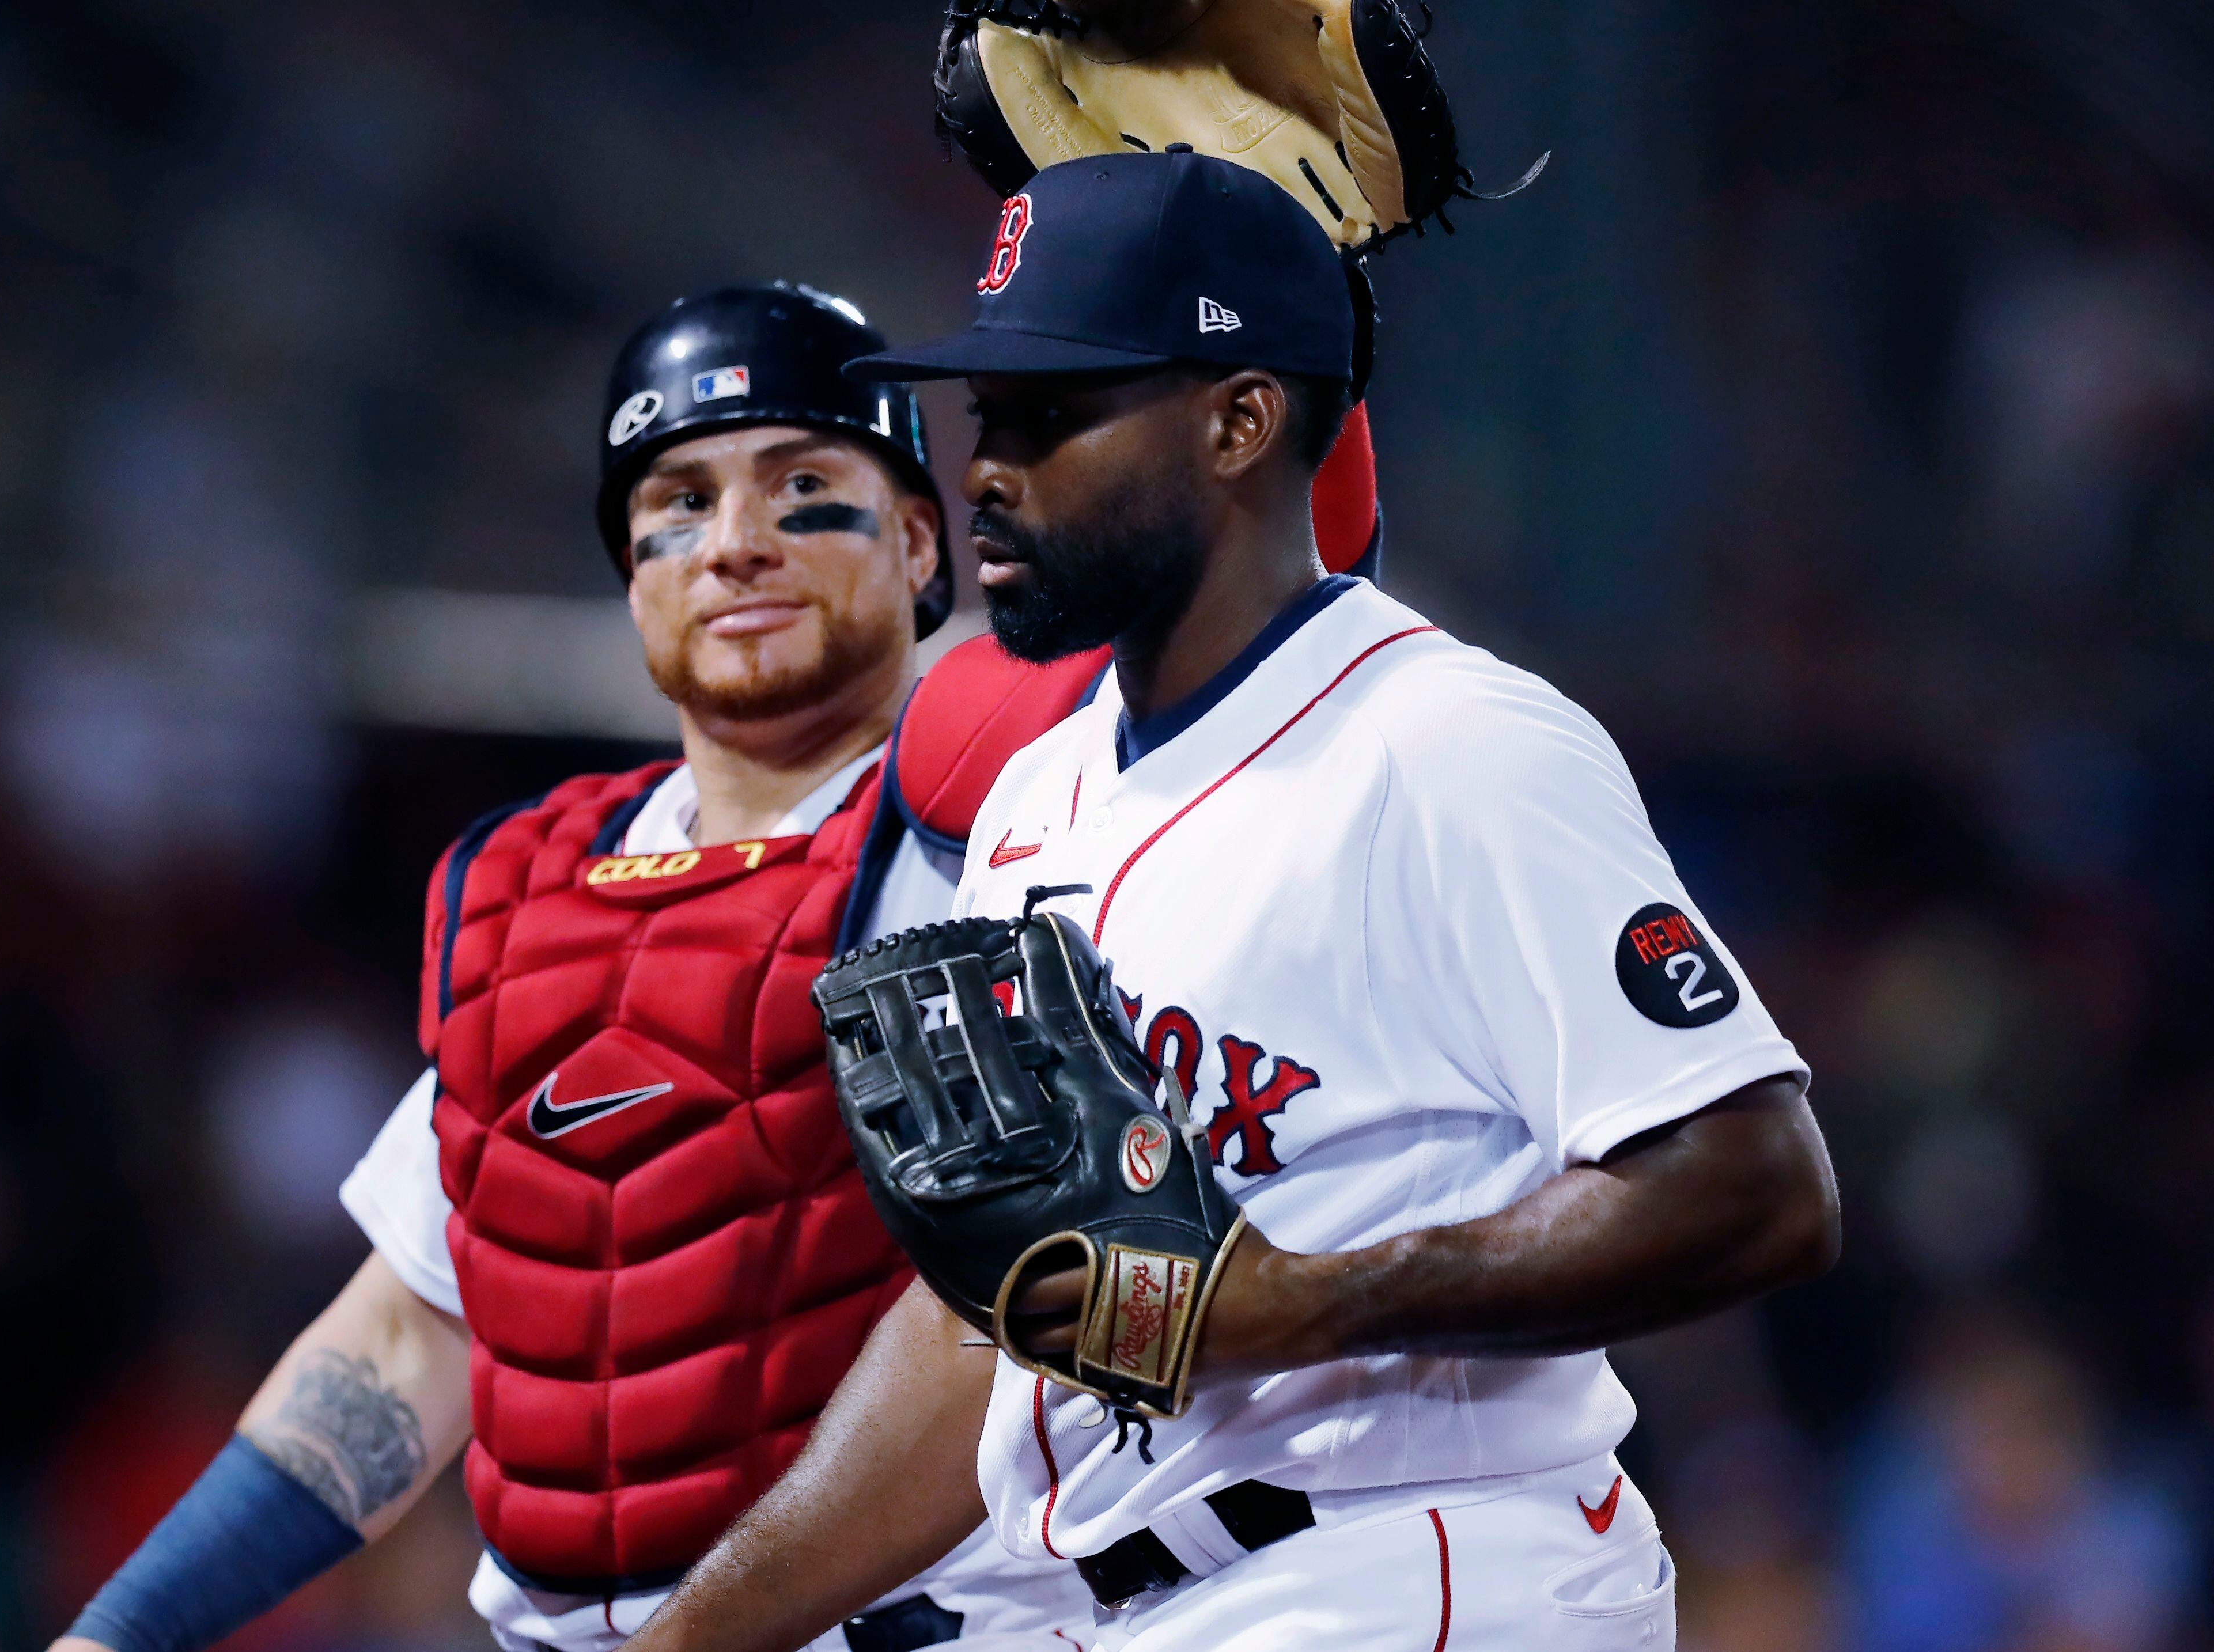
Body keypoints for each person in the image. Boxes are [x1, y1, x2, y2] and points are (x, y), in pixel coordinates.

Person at [47, 278, 1386, 1652]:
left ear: (927, 546)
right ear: (629, 579)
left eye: (804, 485)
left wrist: (1280, 284)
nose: (735, 543)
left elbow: (1279, 598)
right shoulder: (525, 892)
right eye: (677, 503)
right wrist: (123, 1634)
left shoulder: (1021, 818)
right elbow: (408, 1333)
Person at [619, 153, 1844, 1652]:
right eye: (985, 416)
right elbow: (982, 1326)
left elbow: (1758, 1181)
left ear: (1239, 421)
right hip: (1134, 1598)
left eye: (1054, 415)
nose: (987, 467)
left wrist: (1310, 1301)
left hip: (1413, 1560)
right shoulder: (1036, 804)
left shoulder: (1444, 744)